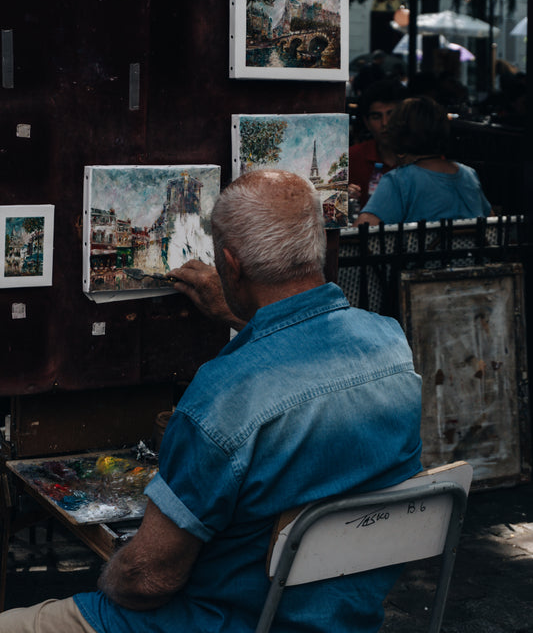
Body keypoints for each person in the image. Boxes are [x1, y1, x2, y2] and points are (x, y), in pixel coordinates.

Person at [0, 170, 422, 633]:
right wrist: (244, 316)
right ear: (314, 243)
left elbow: (147, 581)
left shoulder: (222, 396)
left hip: (221, 622)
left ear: (230, 263)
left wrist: (112, 574)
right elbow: (309, 364)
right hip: (344, 619)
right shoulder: (390, 347)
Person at [356, 96, 492, 226]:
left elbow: (361, 234)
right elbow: (492, 224)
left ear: (398, 136)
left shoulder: (399, 180)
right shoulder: (469, 175)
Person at [348, 79, 406, 208]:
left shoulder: (424, 158)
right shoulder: (351, 158)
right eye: (376, 117)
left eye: (391, 114)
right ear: (366, 122)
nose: (385, 123)